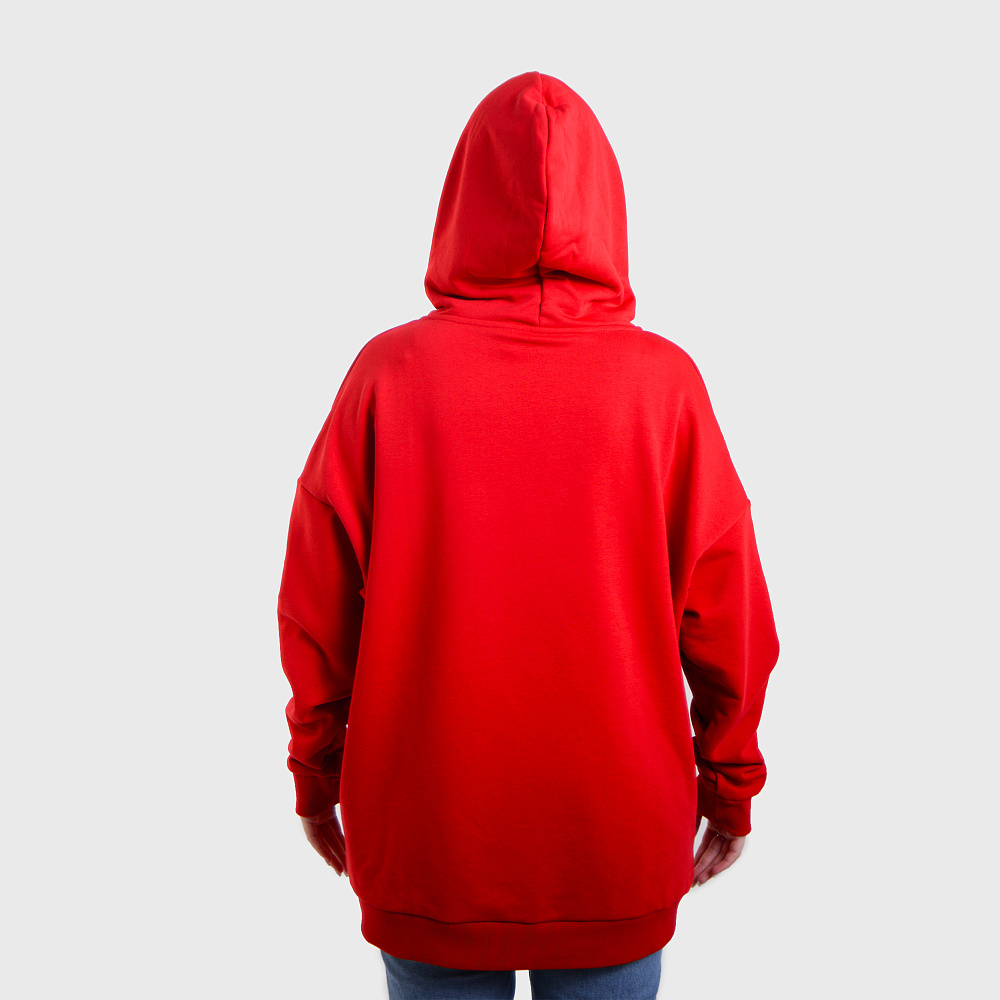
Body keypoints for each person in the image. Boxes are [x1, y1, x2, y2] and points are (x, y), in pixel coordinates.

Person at [277, 70, 780, 1000]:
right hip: (613, 840)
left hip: (429, 836)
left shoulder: (388, 377)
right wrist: (730, 783)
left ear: (462, 201)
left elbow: (315, 612)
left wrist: (317, 774)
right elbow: (730, 616)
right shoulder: (663, 387)